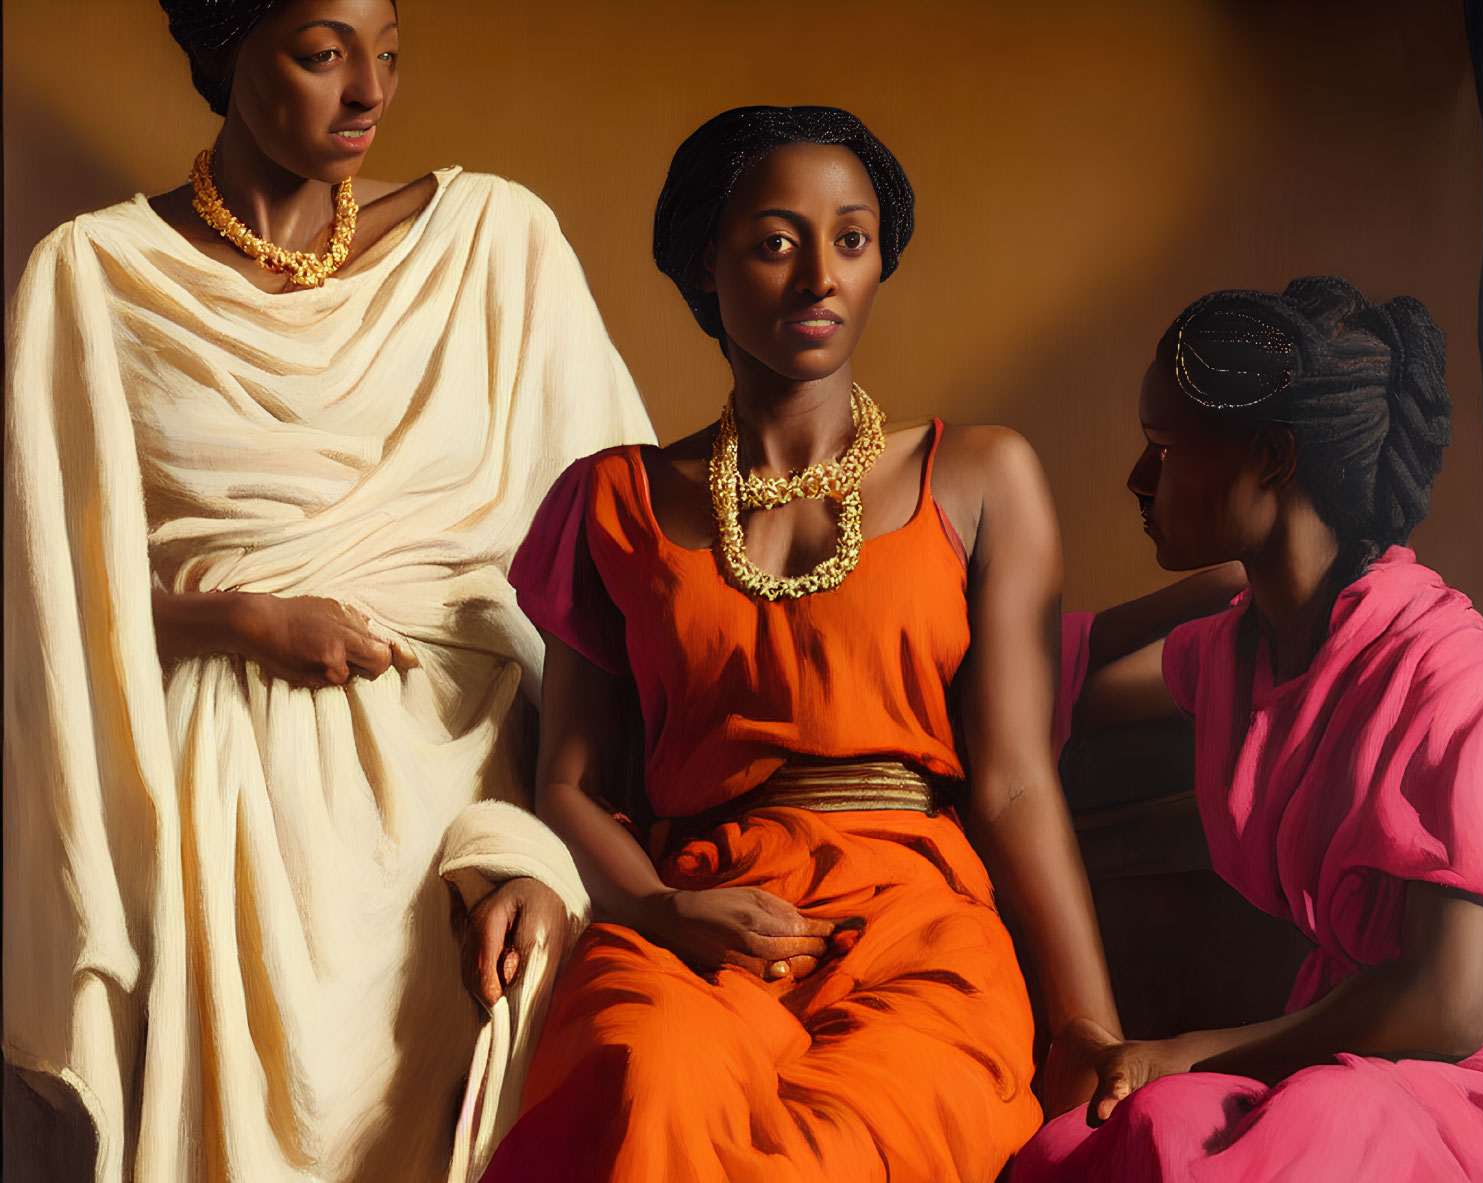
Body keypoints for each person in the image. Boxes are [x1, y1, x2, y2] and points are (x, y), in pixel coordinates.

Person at [2, 2, 654, 1180]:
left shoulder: (495, 246)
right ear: (224, 51)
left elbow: (622, 585)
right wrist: (235, 616)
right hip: (229, 814)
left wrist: (550, 847)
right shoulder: (95, 278)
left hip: (462, 794)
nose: (368, 91)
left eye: (388, 53)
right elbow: (40, 598)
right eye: (322, 54)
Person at [479, 105, 1122, 1182]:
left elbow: (1011, 784)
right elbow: (575, 785)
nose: (819, 275)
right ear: (703, 260)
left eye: (852, 239)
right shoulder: (611, 500)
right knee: (646, 1080)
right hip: (692, 921)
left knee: (826, 1155)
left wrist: (1085, 1023)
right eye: (776, 242)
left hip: (916, 925)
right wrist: (659, 910)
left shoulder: (978, 476)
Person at [1012, 277, 1483, 1182]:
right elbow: (1049, 682)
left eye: (1163, 448)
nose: (1137, 480)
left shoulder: (1462, 685)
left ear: (1271, 456)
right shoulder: (1239, 648)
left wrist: (1189, 1048)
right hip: (1355, 1024)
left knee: (1306, 1120)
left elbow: (1447, 1007)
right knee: (1136, 1133)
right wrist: (1206, 587)